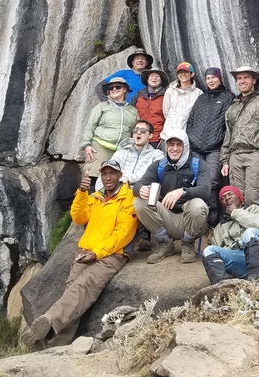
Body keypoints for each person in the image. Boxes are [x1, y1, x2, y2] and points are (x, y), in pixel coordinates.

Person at [20, 160, 138, 348]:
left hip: (112, 254)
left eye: (112, 173)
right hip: (87, 252)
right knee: (72, 289)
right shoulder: (97, 197)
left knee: (83, 286)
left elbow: (123, 234)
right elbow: (79, 217)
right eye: (104, 174)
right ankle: (55, 344)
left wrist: (98, 254)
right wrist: (82, 193)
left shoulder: (128, 198)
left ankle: (49, 320)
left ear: (120, 175)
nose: (108, 178)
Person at [133, 129, 210, 264]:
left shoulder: (199, 165)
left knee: (198, 204)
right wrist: (141, 189)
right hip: (166, 219)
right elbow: (138, 185)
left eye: (179, 145)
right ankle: (165, 243)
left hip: (190, 221)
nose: (174, 149)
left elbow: (206, 190)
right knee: (139, 202)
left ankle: (188, 243)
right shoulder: (159, 165)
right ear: (166, 146)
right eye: (171, 144)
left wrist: (183, 191)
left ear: (185, 146)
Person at [95, 120, 165, 251]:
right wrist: (101, 189)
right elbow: (106, 173)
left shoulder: (157, 154)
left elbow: (150, 173)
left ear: (150, 136)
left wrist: (127, 179)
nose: (138, 133)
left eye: (143, 131)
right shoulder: (121, 153)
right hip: (118, 191)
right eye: (136, 130)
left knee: (145, 193)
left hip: (138, 190)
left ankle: (143, 237)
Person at [186, 67, 234, 231]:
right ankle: (199, 219)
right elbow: (190, 121)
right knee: (198, 181)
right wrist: (191, 137)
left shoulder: (228, 97)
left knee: (213, 180)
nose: (211, 80)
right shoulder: (201, 98)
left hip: (215, 147)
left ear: (220, 79)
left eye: (214, 77)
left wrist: (219, 138)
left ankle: (213, 220)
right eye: (208, 78)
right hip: (197, 147)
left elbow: (229, 123)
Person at [220, 66, 259, 207]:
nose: (242, 81)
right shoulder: (233, 106)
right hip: (235, 156)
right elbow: (228, 135)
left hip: (256, 153)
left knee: (254, 196)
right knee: (236, 198)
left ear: (254, 80)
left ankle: (256, 228)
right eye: (239, 78)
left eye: (246, 77)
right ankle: (241, 228)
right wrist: (225, 160)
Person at [202, 185, 259, 284]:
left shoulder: (254, 210)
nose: (227, 198)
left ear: (240, 198)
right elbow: (219, 252)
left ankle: (256, 279)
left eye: (230, 194)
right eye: (223, 197)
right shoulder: (220, 227)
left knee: (250, 232)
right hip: (239, 260)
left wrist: (235, 212)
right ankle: (222, 286)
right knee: (209, 250)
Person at [81, 77, 139, 189]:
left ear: (125, 89)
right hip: (100, 146)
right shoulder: (102, 107)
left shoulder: (132, 110)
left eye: (118, 87)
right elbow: (90, 127)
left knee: (116, 180)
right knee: (94, 177)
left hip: (121, 151)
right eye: (111, 88)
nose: (114, 89)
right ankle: (91, 205)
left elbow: (136, 131)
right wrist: (87, 145)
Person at [160, 62, 203, 144]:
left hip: (186, 137)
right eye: (180, 72)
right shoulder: (170, 91)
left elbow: (198, 117)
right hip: (167, 135)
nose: (183, 74)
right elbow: (166, 112)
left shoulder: (198, 93)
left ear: (192, 74)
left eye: (186, 71)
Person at [131, 68, 169, 148]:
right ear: (147, 79)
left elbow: (170, 118)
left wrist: (164, 137)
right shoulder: (139, 95)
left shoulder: (166, 95)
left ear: (161, 80)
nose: (154, 78)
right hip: (138, 136)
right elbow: (130, 114)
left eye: (157, 76)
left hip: (157, 138)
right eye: (151, 76)